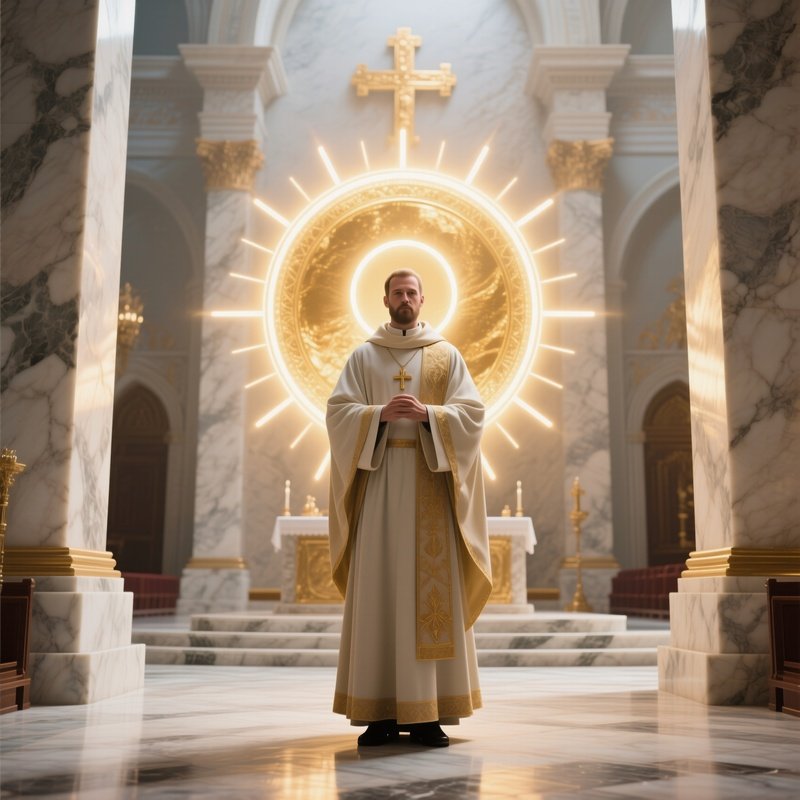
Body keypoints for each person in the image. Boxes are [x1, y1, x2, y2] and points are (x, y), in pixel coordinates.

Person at [326, 268, 492, 748]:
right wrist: (377, 415)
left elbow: (473, 414)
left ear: (423, 299)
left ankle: (426, 715)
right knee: (379, 592)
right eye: (397, 292)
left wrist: (430, 416)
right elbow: (337, 412)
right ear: (385, 299)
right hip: (379, 487)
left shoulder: (446, 355)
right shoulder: (364, 356)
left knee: (427, 600)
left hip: (430, 485)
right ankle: (377, 713)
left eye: (412, 292)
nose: (405, 298)